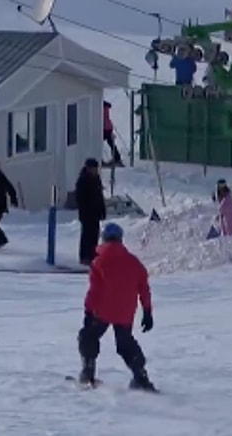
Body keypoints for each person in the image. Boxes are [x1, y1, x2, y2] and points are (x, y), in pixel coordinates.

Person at [77, 222, 156, 391]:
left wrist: (88, 311)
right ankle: (141, 376)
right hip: (125, 312)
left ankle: (88, 372)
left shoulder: (99, 262)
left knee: (88, 336)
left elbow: (94, 291)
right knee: (125, 343)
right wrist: (147, 311)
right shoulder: (134, 263)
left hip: (102, 311)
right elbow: (144, 288)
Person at [75, 158, 106, 265]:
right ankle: (84, 256)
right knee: (86, 235)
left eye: (96, 168)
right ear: (88, 168)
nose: (95, 170)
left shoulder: (96, 179)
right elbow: (80, 198)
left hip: (96, 213)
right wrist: (85, 211)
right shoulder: (83, 180)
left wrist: (102, 210)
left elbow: (99, 196)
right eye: (93, 168)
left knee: (94, 234)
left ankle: (93, 254)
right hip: (87, 213)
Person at [103, 101, 122, 166]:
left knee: (97, 143)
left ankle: (116, 158)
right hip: (108, 127)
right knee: (111, 143)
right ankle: (117, 158)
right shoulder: (106, 107)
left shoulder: (101, 107)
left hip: (104, 128)